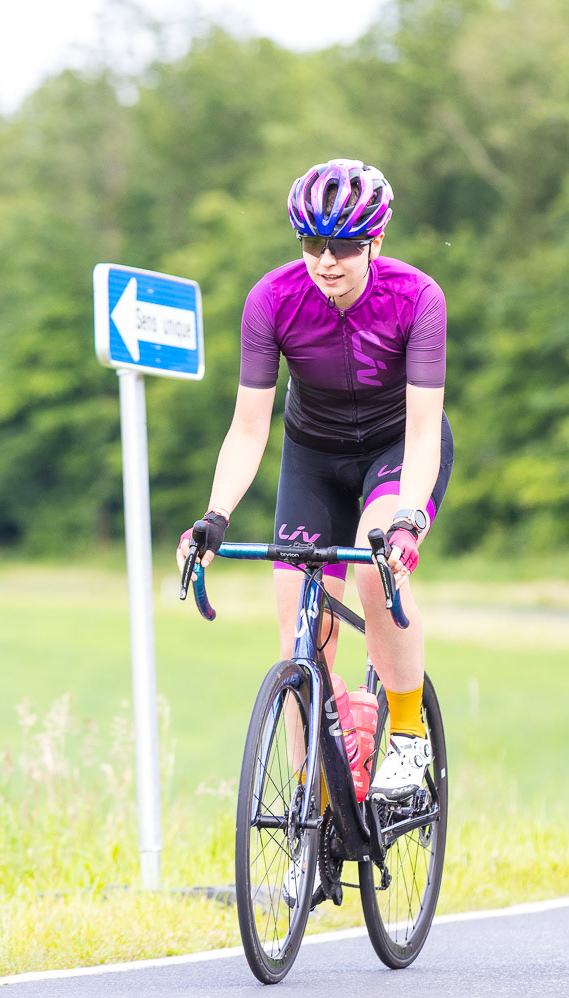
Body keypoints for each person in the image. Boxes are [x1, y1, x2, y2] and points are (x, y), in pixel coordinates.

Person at [178, 157, 453, 810]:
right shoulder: (272, 299)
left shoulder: (417, 297)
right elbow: (249, 429)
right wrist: (215, 516)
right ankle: (315, 802)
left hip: (397, 450)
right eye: (312, 243)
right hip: (314, 456)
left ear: (375, 241)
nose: (326, 261)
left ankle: (407, 733)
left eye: (344, 246)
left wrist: (408, 520)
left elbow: (423, 432)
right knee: (298, 640)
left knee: (373, 570)